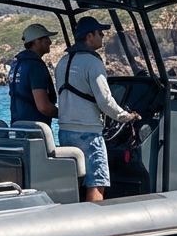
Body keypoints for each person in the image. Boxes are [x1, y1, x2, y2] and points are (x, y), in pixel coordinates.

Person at [55, 16, 140, 202]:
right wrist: (126, 116)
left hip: (65, 132)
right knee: (96, 182)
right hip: (88, 134)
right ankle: (95, 225)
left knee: (76, 183)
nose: (102, 37)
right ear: (89, 36)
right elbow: (105, 101)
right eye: (100, 33)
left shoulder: (62, 62)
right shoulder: (93, 62)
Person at [8, 23, 58, 124]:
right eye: (46, 38)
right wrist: (65, 115)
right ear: (36, 42)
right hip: (34, 129)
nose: (50, 42)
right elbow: (44, 107)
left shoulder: (16, 64)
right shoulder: (35, 66)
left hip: (17, 127)